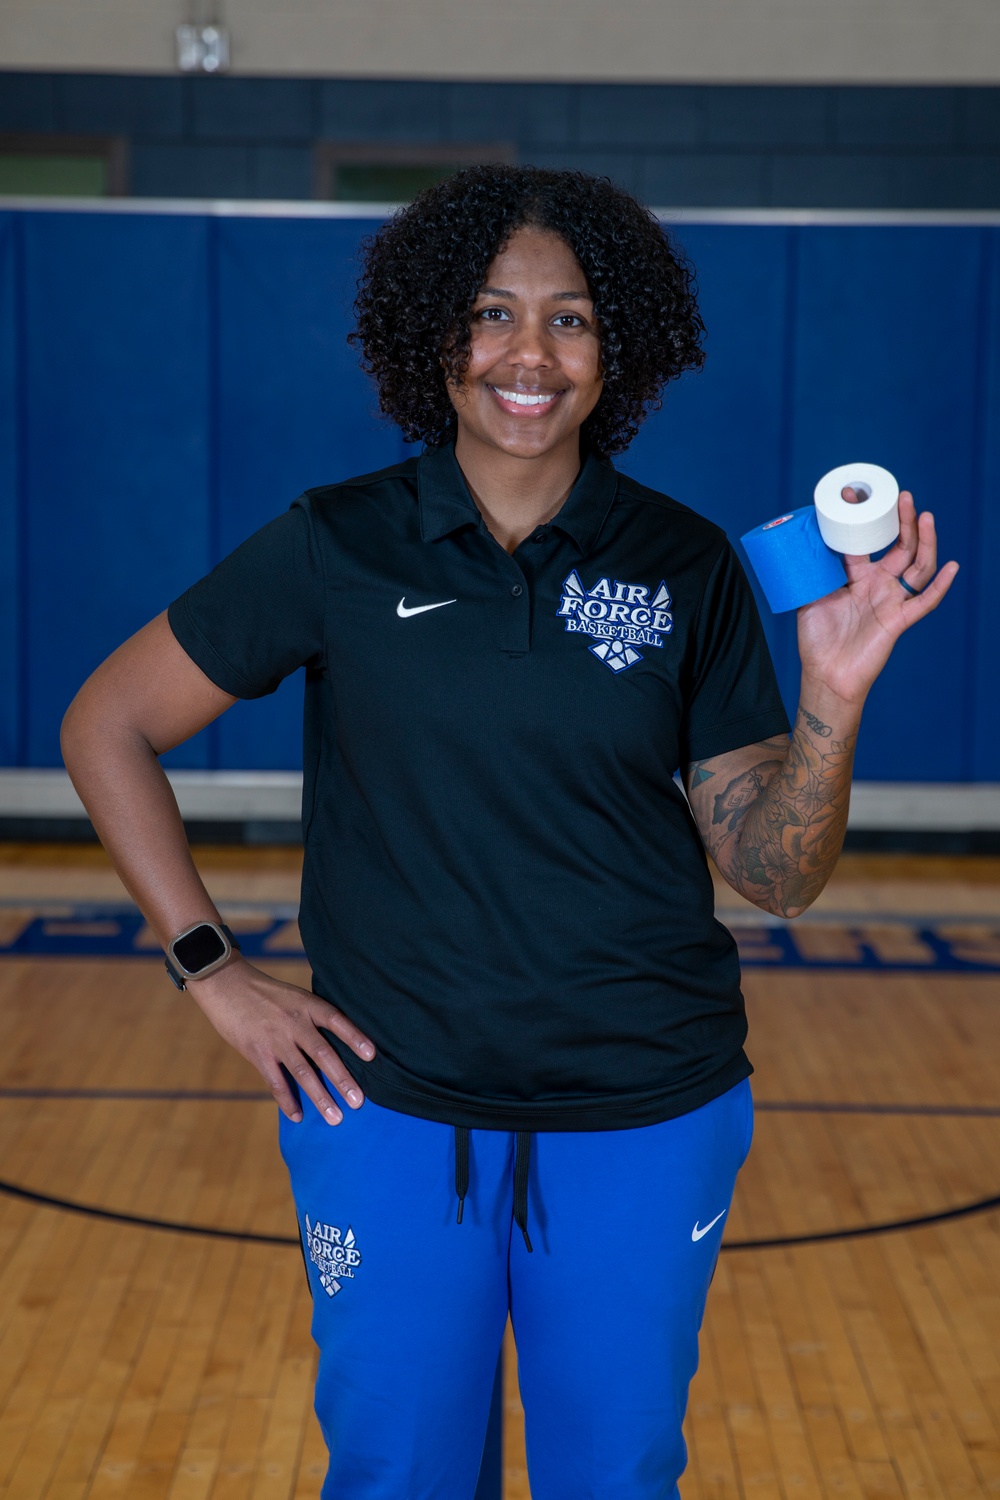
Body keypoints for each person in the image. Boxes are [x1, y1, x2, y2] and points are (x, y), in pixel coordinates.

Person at [61, 165, 958, 1500]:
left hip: (648, 1107)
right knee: (398, 1474)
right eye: (491, 314)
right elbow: (107, 723)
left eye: (572, 319)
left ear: (619, 351)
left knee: (617, 1476)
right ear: (437, 341)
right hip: (387, 1107)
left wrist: (832, 692)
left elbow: (775, 872)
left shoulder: (687, 562)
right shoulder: (340, 543)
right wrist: (215, 972)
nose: (528, 354)